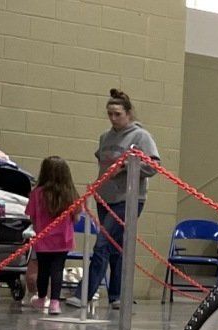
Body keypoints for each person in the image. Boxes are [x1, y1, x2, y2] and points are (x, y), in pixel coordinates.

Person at [85, 88, 160, 310]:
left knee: (103, 244)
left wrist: (128, 165)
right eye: (110, 114)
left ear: (128, 113)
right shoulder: (105, 137)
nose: (113, 118)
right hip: (105, 198)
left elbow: (154, 165)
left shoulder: (141, 136)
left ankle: (85, 293)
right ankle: (116, 295)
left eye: (117, 114)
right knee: (117, 247)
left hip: (127, 199)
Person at [26, 156, 80, 314]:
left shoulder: (37, 193)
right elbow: (76, 217)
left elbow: (31, 216)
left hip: (43, 239)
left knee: (43, 270)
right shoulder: (70, 193)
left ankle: (42, 298)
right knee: (57, 270)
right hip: (63, 239)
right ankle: (55, 302)